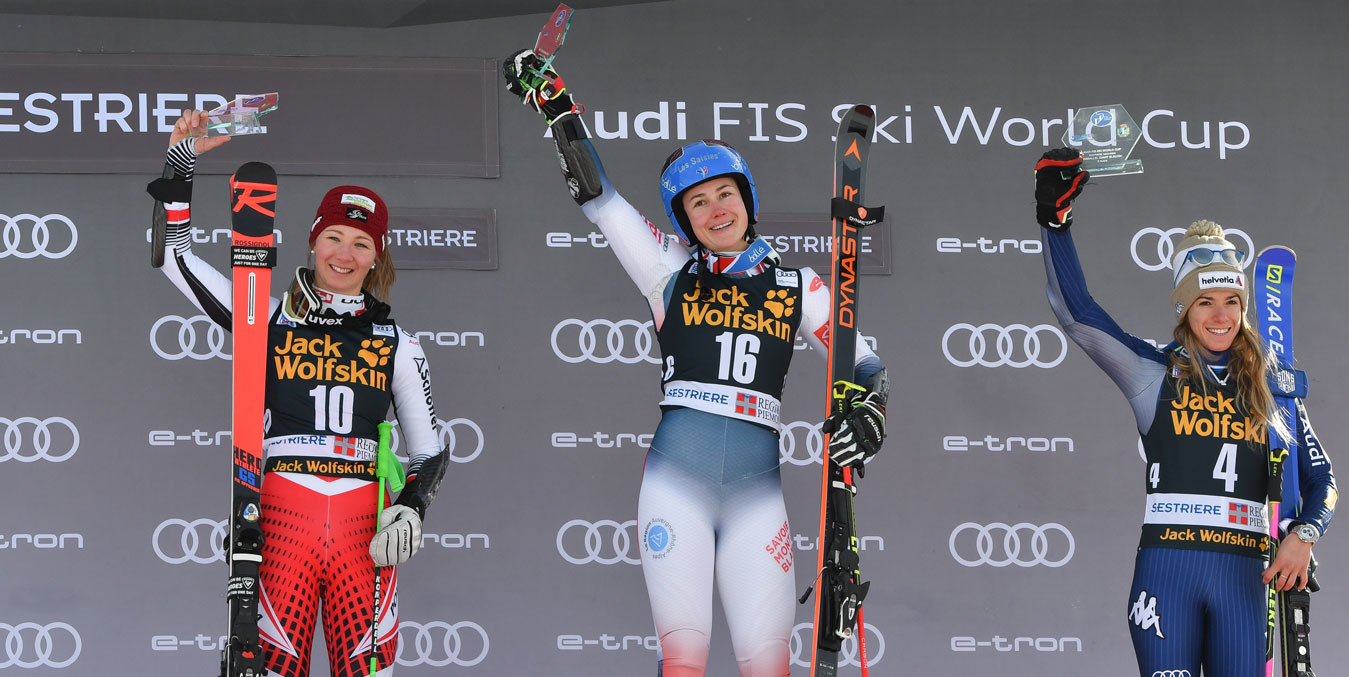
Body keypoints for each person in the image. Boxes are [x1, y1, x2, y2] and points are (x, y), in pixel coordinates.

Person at [503, 52, 889, 677]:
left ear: (747, 199)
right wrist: (555, 106)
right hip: (674, 491)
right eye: (698, 203)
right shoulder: (668, 273)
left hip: (756, 499)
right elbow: (599, 199)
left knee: (769, 669)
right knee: (682, 662)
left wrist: (869, 413)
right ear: (684, 220)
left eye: (725, 194)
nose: (716, 210)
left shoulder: (798, 285)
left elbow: (866, 363)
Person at [149, 110, 449, 677]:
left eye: (362, 243)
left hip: (365, 527)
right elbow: (175, 258)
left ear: (377, 257)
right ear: (313, 241)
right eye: (334, 236)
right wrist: (181, 163)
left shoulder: (398, 343)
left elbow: (429, 450)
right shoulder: (264, 318)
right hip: (282, 516)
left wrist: (411, 508)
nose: (345, 254)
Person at [1032, 148, 1336, 676]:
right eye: (1204, 302)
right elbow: (1077, 314)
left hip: (1245, 580)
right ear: (1183, 308)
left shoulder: (1274, 387)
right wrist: (1055, 224)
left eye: (1232, 302)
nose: (1221, 316)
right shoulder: (1151, 372)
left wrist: (1303, 536)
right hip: (1167, 575)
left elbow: (1322, 479)